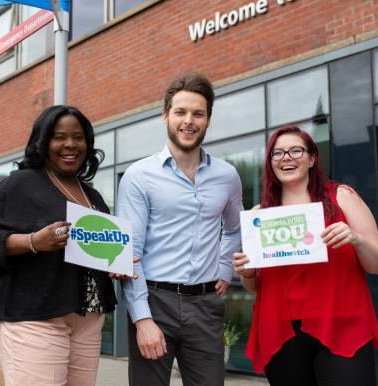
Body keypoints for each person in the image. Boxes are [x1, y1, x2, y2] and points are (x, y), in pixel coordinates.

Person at [233, 125, 378, 386]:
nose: (286, 158)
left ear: (312, 158)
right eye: (278, 153)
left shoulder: (342, 197)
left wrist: (357, 240)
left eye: (296, 150)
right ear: (270, 163)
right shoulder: (260, 214)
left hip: (341, 324)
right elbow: (255, 285)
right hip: (281, 331)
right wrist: (247, 271)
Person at [0, 105, 117, 386]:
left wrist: (117, 263)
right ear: (42, 142)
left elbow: (97, 249)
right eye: (59, 137)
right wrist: (34, 241)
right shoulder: (20, 184)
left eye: (78, 137)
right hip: (35, 316)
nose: (70, 145)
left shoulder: (92, 195)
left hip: (87, 317)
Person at [117, 72, 243, 385]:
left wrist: (225, 269)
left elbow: (236, 228)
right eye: (180, 112)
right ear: (165, 116)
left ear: (208, 120)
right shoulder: (138, 176)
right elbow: (129, 254)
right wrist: (142, 318)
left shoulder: (227, 176)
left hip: (205, 305)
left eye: (198, 114)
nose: (189, 121)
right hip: (154, 300)